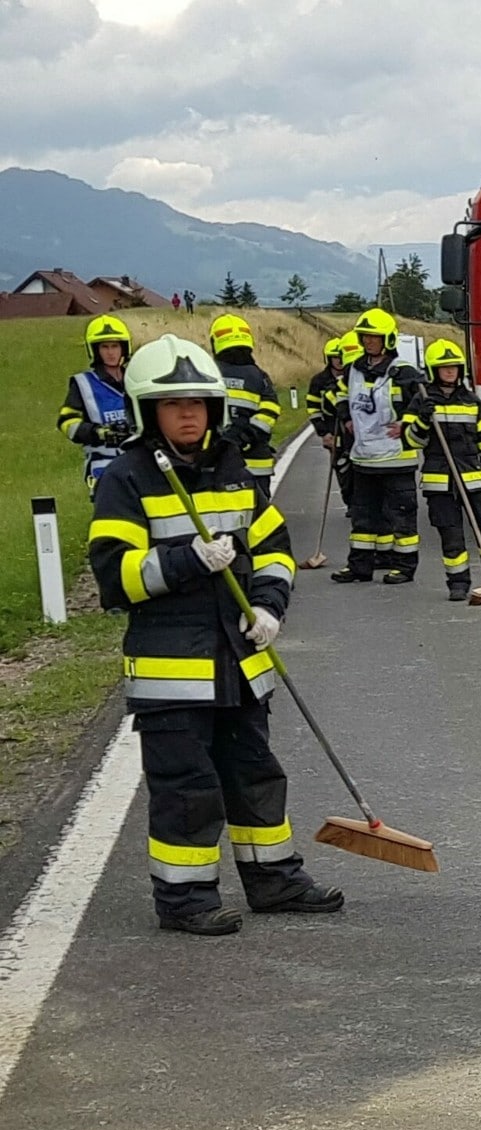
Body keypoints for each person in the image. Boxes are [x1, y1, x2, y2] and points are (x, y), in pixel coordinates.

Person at [86, 334, 343, 936]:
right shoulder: (128, 478)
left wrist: (269, 605)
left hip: (241, 659)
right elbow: (113, 578)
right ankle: (185, 900)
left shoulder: (232, 468)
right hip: (172, 672)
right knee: (187, 789)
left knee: (255, 774)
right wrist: (183, 561)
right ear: (150, 410)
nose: (188, 414)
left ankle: (274, 880)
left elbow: (274, 548)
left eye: (199, 403)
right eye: (174, 405)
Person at [405, 339, 481, 601]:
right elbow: (411, 441)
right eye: (444, 368)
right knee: (450, 534)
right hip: (439, 481)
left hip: (473, 478)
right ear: (433, 370)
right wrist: (422, 420)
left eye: (454, 367)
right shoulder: (422, 400)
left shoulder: (471, 401)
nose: (450, 372)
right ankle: (458, 583)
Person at [335, 308, 423, 584]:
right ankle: (360, 566)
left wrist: (407, 424)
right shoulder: (353, 370)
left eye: (374, 337)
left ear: (388, 339)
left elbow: (423, 404)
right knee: (362, 516)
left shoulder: (405, 373)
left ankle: (404, 567)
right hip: (363, 458)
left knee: (401, 516)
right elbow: (338, 394)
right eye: (365, 337)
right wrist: (345, 416)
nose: (369, 342)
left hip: (397, 458)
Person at [56, 315, 135, 496]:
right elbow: (66, 423)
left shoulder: (136, 379)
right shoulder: (83, 383)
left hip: (139, 459)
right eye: (104, 347)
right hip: (103, 462)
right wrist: (99, 432)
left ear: (123, 347)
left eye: (114, 346)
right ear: (95, 350)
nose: (110, 352)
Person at [208, 313, 281, 493]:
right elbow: (269, 413)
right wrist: (245, 438)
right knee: (260, 518)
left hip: (216, 463)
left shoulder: (206, 373)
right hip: (255, 464)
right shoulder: (259, 377)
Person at [308, 334, 358, 510]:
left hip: (352, 430)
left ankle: (360, 503)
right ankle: (350, 501)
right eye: (335, 357)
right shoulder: (319, 381)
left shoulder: (354, 376)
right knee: (342, 469)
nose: (338, 361)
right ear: (328, 358)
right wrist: (323, 432)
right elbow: (313, 408)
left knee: (358, 468)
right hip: (333, 430)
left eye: (341, 357)